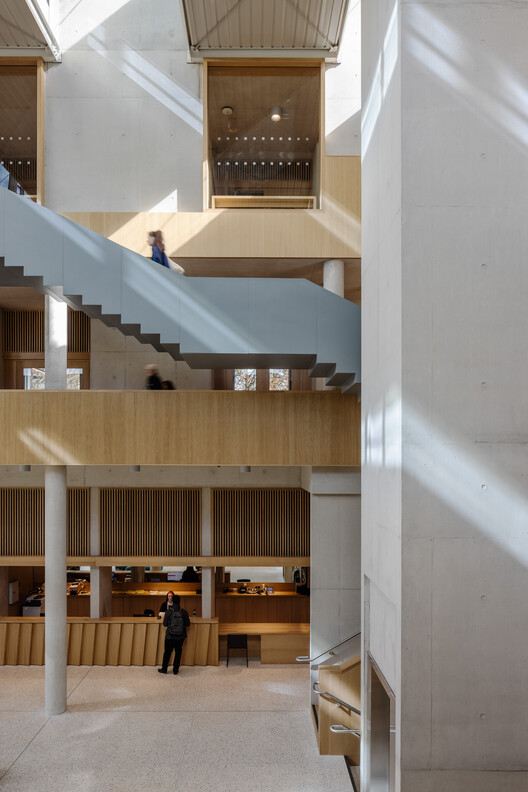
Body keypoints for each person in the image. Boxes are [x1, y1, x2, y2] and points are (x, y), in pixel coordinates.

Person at [158, 594, 190, 675]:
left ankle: (164, 669)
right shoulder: (184, 612)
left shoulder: (168, 612)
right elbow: (188, 624)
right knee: (178, 652)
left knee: (167, 652)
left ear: (172, 601)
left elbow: (165, 624)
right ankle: (175, 670)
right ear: (179, 601)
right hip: (180, 636)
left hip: (170, 636)